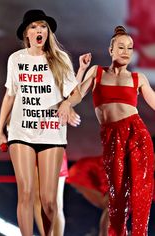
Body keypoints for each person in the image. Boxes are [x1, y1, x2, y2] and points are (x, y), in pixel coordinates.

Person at [0, 9, 91, 236]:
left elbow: (75, 93)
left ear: (48, 32)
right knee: (26, 193)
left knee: (49, 201)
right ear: (26, 34)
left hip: (51, 133)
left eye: (43, 27)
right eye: (34, 27)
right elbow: (10, 95)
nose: (39, 30)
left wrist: (67, 104)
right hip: (21, 131)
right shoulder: (16, 59)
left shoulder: (59, 58)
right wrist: (1, 130)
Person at [57, 25, 155, 236]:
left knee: (139, 195)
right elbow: (77, 95)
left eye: (129, 48)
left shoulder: (138, 78)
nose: (125, 51)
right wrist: (66, 103)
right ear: (111, 50)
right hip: (112, 138)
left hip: (136, 135)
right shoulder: (97, 72)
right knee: (117, 197)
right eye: (121, 47)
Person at [0, 121, 69, 236]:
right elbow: (11, 124)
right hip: (30, 149)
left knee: (54, 203)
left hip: (51, 146)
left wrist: (68, 105)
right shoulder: (21, 105)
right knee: (37, 199)